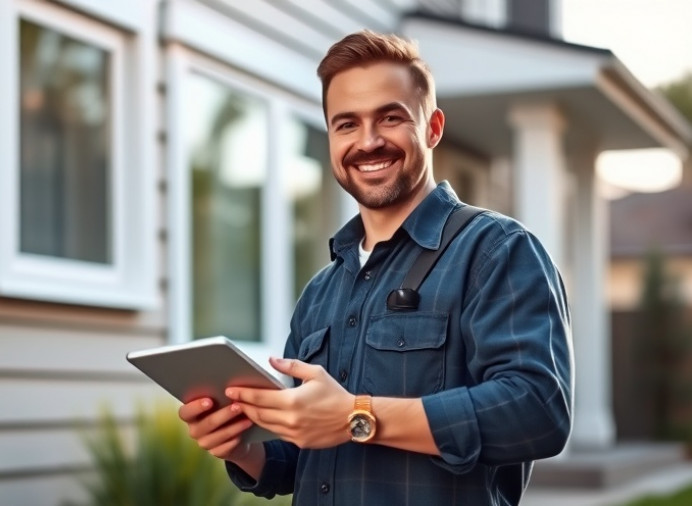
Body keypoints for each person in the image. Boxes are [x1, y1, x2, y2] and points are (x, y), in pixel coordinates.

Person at [178, 30, 573, 505]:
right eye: (346, 124)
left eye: (389, 118)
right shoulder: (321, 290)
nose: (367, 142)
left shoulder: (496, 250)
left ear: (432, 128)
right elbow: (300, 457)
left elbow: (538, 412)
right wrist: (242, 447)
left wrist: (355, 415)